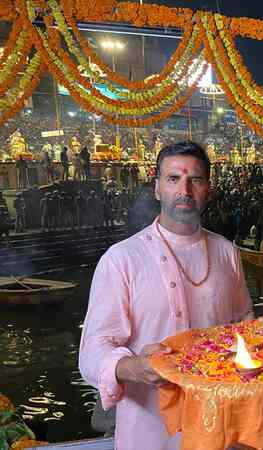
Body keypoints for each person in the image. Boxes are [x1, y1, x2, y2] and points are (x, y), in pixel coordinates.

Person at [78, 141, 253, 450]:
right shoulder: (122, 258)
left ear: (207, 190)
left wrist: (262, 334)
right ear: (157, 188)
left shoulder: (227, 252)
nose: (184, 189)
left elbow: (242, 322)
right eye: (173, 179)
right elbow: (93, 351)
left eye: (195, 179)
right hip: (148, 424)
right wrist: (135, 368)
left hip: (220, 417)